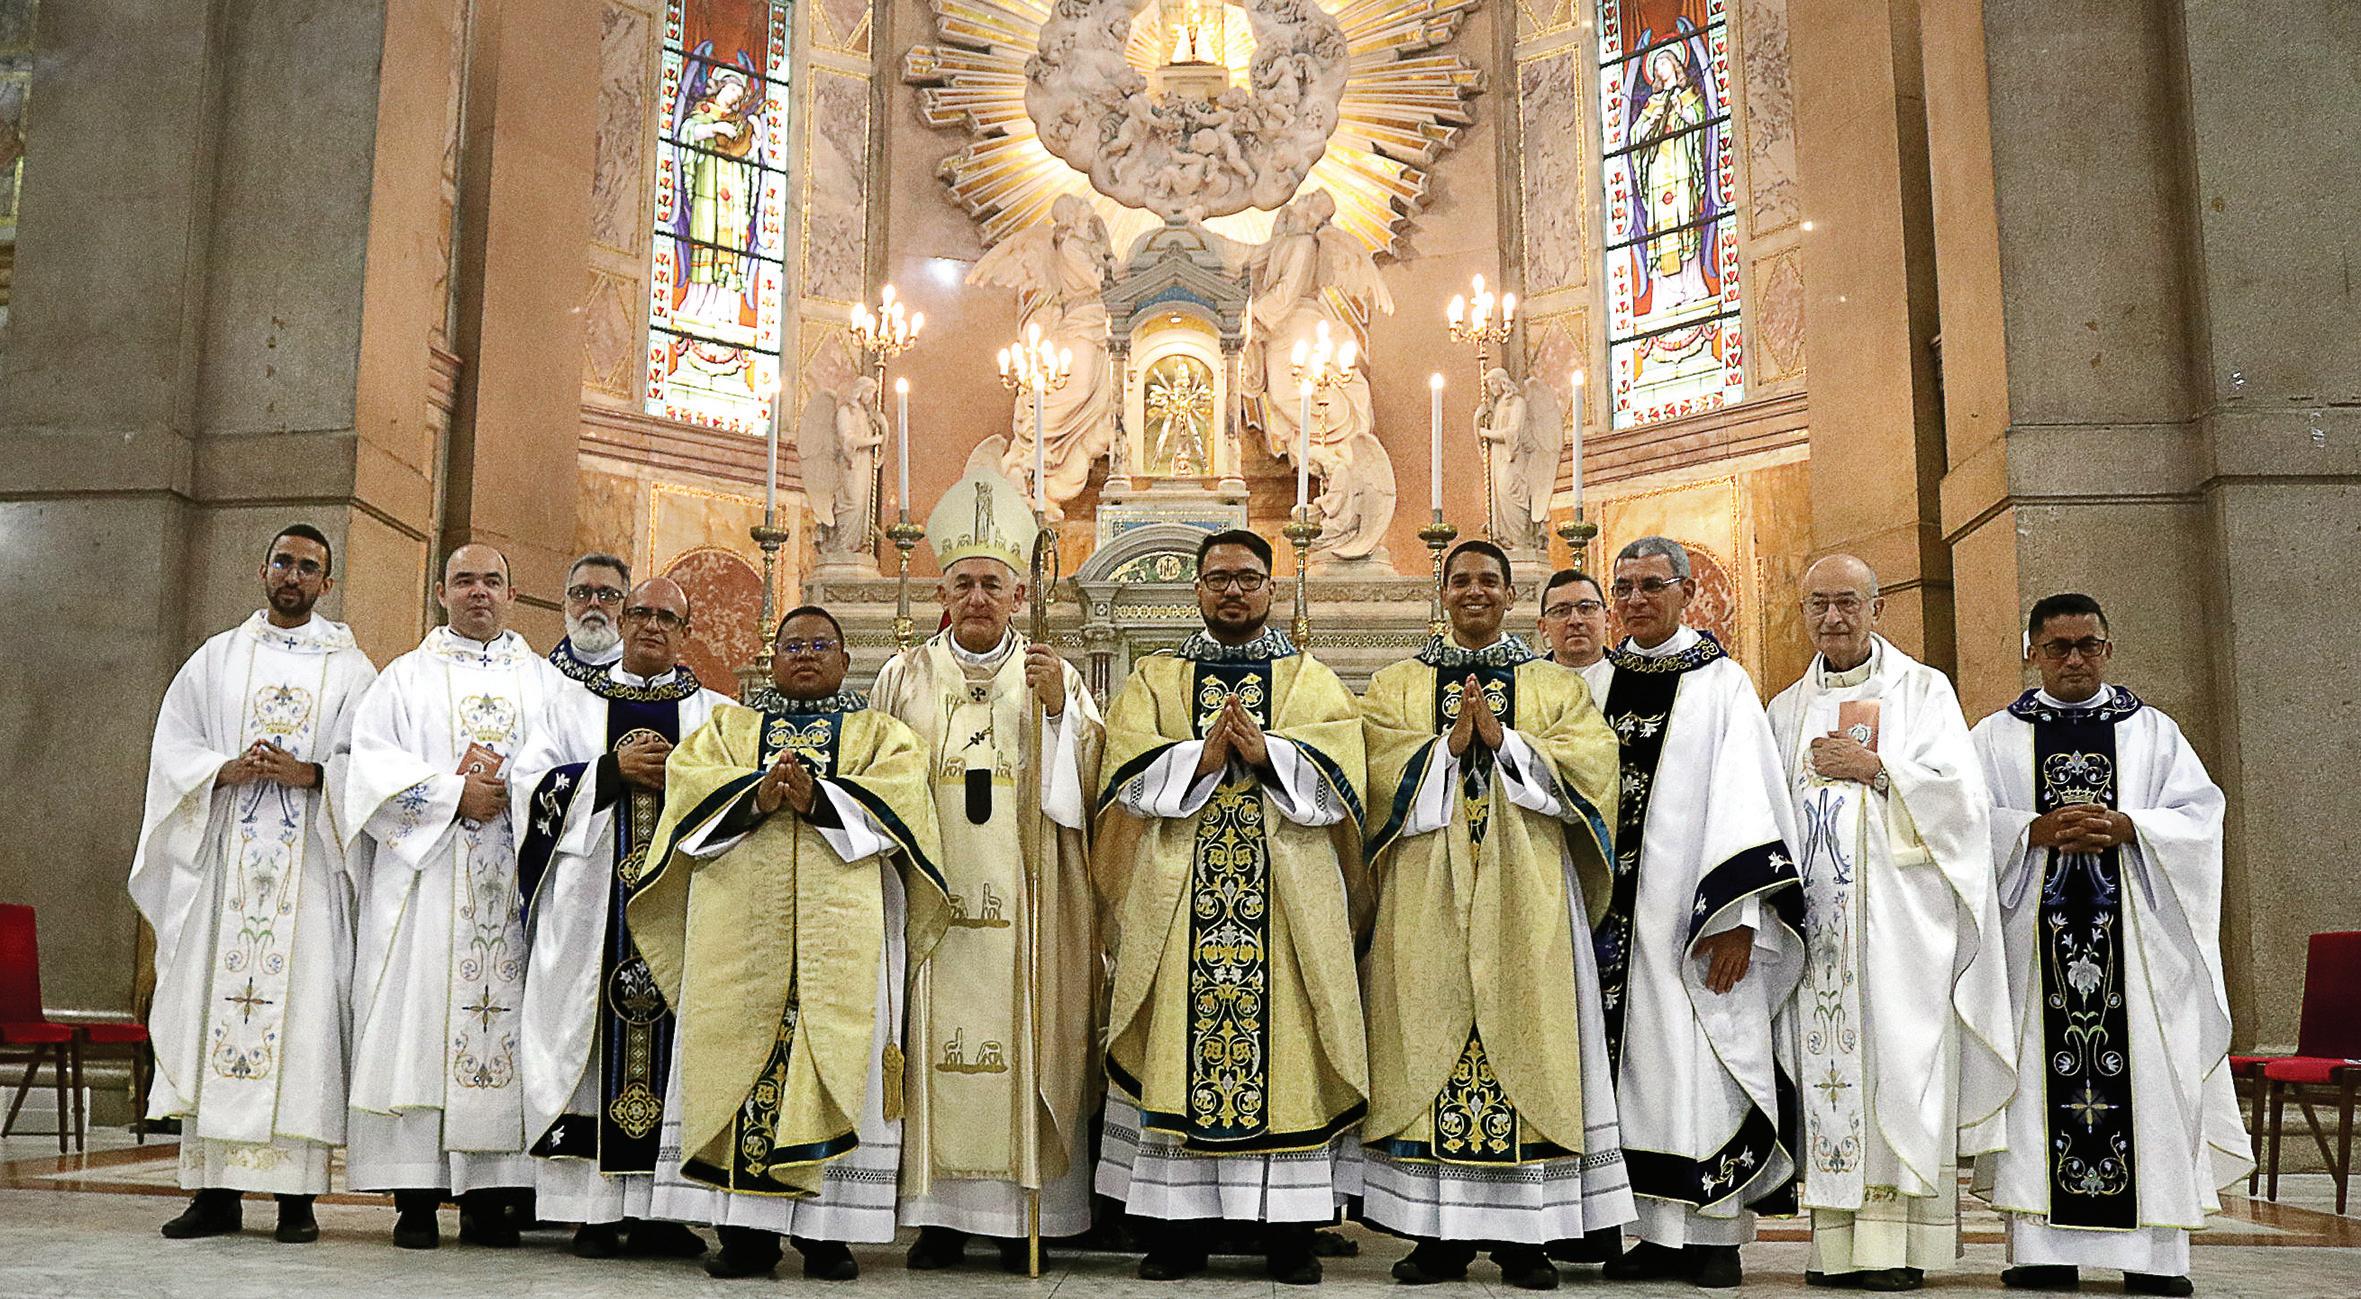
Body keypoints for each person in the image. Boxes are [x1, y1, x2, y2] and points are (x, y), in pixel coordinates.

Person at [629, 607, 949, 1281]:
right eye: (792, 644)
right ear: (771, 658)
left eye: (821, 644)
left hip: (842, 936)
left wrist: (819, 800)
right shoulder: (729, 730)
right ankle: (745, 1234)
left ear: (844, 660)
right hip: (738, 936)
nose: (806, 654)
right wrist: (755, 796)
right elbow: (688, 790)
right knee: (734, 1062)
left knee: (835, 1059)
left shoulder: (880, 734)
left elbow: (903, 807)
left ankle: (828, 1236)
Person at [1093, 528, 1371, 1285]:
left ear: (1270, 587)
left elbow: (1346, 778)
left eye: (1247, 578)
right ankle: (1178, 1233)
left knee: (1290, 1051)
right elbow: (1122, 769)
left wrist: (1269, 753)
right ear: (1197, 590)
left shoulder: (1310, 678)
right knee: (1173, 1051)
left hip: (1284, 901)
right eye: (1218, 579)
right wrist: (1201, 757)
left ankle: (1289, 1234)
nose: (1233, 591)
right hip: (1180, 893)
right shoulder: (1157, 677)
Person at [1358, 541, 1634, 1290]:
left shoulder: (1554, 686)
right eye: (1460, 580)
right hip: (1426, 894)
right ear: (1441, 591)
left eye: (1488, 580)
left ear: (1512, 595)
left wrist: (1505, 742)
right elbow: (1372, 773)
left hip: (1528, 894)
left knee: (1530, 1035)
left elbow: (1593, 767)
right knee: (1426, 1034)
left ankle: (1525, 1240)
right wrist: (1444, 750)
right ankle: (1435, 1238)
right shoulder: (1394, 684)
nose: (1474, 591)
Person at [1970, 594, 2250, 1298]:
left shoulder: (2152, 732)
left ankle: (2153, 1258)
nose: (2073, 659)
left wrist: (2131, 827)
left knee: (2147, 1088)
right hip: (2034, 954)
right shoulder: (1995, 738)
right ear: (2031, 651)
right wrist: (2028, 830)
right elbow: (1961, 826)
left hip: (2140, 952)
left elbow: (2201, 818)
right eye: (2057, 647)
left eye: (2087, 646)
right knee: (2038, 1086)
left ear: (2108, 648)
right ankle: (2042, 1251)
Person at [869, 467, 1103, 1271]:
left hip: (1025, 903)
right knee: (927, 1038)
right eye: (963, 583)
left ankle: (1015, 1216)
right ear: (942, 591)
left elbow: (1085, 793)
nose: (977, 597)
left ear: (1017, 595)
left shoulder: (1052, 675)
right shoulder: (903, 675)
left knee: (1024, 1038)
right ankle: (936, 1216)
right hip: (929, 904)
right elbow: (874, 781)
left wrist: (1057, 712)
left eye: (992, 585)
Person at [1766, 556, 2015, 1292]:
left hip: (1902, 932)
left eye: (1848, 601)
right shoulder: (1785, 708)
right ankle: (1834, 1249)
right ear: (1802, 613)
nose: (1833, 617)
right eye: (1818, 603)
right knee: (1829, 1078)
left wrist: (1876, 769)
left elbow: (1963, 804)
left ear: (1878, 608)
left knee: (1899, 1071)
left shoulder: (1923, 691)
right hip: (1818, 938)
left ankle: (1898, 1249)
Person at [131, 525, 377, 1244]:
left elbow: (369, 764)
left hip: (309, 874)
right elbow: (172, 747)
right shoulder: (218, 658)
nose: (293, 575)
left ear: (327, 583)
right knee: (216, 1008)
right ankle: (214, 1194)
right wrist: (220, 769)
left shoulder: (351, 668)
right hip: (225, 870)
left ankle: (297, 1199)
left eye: (309, 567)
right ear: (263, 569)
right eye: (283, 562)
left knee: (304, 1022)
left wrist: (313, 774)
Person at [1570, 536, 1803, 1289]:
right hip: (1608, 919)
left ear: (1686, 592)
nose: (1635, 600)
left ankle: (1714, 1237)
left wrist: (1739, 917)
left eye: (1651, 585)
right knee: (1631, 1076)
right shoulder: (1596, 683)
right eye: (1624, 587)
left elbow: (1746, 795)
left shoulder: (1720, 683)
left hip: (1693, 921)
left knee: (1699, 1064)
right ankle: (1653, 1234)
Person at [342, 544, 560, 1248]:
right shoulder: (404, 677)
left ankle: (492, 1198)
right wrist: (449, 794)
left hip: (515, 890)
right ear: (441, 592)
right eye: (464, 580)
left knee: (509, 1030)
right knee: (420, 1028)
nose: (478, 592)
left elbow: (570, 771)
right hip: (428, 887)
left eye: (492, 581)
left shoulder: (546, 683)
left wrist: (514, 793)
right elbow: (369, 770)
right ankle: (416, 1196)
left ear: (513, 594)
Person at [512, 578, 729, 1260]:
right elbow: (531, 786)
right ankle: (593, 1212)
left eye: (668, 616)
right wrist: (608, 772)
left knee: (681, 1049)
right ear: (622, 620)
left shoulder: (717, 715)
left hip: (682, 913)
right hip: (590, 912)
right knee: (587, 1045)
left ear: (686, 631)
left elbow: (736, 799)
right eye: (641, 612)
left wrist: (682, 779)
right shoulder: (567, 702)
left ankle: (666, 1212)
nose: (652, 625)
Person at [549, 553, 631, 685]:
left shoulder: (646, 677)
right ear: (564, 608)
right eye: (580, 593)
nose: (594, 603)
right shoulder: (542, 676)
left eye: (609, 595)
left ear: (627, 610)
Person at [1535, 569, 1609, 671]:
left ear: (1607, 618)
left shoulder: (1631, 675)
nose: (1575, 621)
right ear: (1544, 627)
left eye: (1586, 608)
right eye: (1561, 611)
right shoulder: (1526, 679)